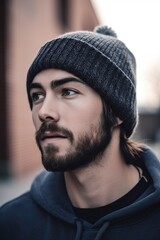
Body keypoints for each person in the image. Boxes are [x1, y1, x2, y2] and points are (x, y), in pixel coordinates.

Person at [1, 25, 160, 240]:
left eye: (68, 92)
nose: (44, 112)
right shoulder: (13, 224)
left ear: (116, 112)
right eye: (37, 95)